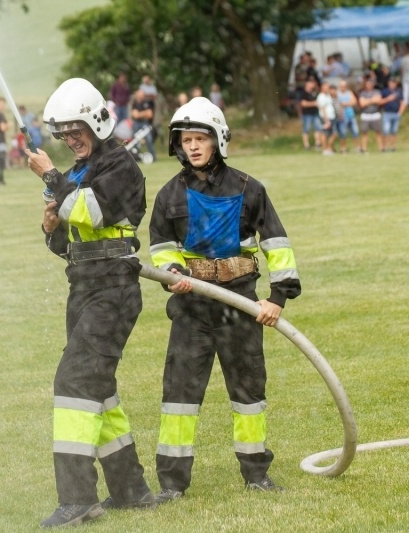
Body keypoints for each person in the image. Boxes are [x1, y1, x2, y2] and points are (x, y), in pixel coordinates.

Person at [148, 96, 300, 504]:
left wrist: (277, 298)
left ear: (218, 141)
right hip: (191, 311)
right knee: (179, 396)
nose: (193, 146)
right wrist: (172, 275)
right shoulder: (168, 195)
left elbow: (277, 245)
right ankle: (172, 484)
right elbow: (161, 249)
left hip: (241, 307)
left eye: (200, 138)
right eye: (185, 140)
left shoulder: (250, 190)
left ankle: (256, 474)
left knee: (249, 394)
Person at [24, 78, 154, 528]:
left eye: (75, 129)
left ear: (97, 121)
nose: (69, 139)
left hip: (114, 287)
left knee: (74, 380)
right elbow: (67, 243)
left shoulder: (122, 165)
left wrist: (50, 177)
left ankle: (78, 498)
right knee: (98, 386)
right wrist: (49, 228)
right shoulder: (77, 171)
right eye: (62, 134)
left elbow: (94, 212)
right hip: (82, 285)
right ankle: (131, 489)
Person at [130, 89, 156, 162]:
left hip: (145, 123)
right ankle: (136, 157)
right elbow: (135, 115)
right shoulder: (134, 103)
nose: (141, 97)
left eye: (142, 95)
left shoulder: (147, 103)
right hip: (136, 123)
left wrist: (139, 114)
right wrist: (144, 113)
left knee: (149, 139)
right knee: (135, 140)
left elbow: (150, 114)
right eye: (139, 95)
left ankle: (153, 157)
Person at [358, 76, 383, 153]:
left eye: (370, 84)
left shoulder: (377, 92)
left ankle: (381, 148)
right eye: (367, 84)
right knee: (364, 132)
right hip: (366, 115)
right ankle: (364, 148)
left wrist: (367, 101)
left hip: (375, 114)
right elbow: (362, 104)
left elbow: (378, 101)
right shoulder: (362, 93)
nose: (369, 86)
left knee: (378, 132)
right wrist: (372, 100)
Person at [380, 77, 406, 152]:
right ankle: (384, 147)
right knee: (386, 130)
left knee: (394, 131)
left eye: (394, 83)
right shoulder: (385, 91)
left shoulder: (398, 92)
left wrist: (400, 112)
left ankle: (392, 147)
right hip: (387, 113)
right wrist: (388, 99)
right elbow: (380, 102)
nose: (392, 84)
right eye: (391, 82)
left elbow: (402, 103)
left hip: (395, 113)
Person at [337, 80, 360, 152]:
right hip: (342, 116)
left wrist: (345, 104)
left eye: (344, 86)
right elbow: (338, 104)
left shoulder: (349, 93)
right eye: (342, 86)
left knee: (355, 132)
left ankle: (357, 147)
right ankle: (343, 148)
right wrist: (348, 103)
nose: (343, 87)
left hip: (351, 115)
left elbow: (354, 102)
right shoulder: (337, 94)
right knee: (343, 133)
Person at [299, 78, 321, 149]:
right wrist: (313, 103)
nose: (313, 85)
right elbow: (303, 103)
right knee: (306, 129)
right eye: (311, 83)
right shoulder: (303, 93)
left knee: (318, 128)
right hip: (307, 114)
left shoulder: (314, 93)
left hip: (315, 113)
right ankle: (306, 145)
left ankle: (318, 143)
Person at [316, 81, 336, 155]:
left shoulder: (328, 95)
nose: (328, 88)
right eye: (326, 87)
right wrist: (326, 120)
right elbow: (323, 109)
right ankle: (325, 149)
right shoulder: (321, 96)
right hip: (325, 118)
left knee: (333, 134)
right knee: (325, 134)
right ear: (322, 87)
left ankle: (329, 148)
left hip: (332, 117)